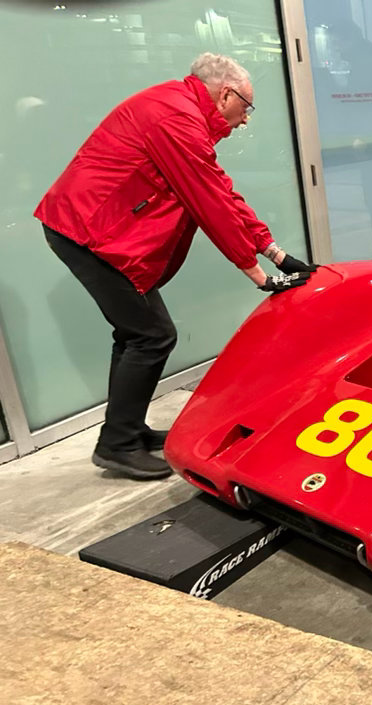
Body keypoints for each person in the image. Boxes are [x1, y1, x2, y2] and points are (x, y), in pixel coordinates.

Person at [35, 53, 317, 482]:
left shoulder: (181, 111)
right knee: (152, 335)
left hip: (94, 230)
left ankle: (126, 430)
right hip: (89, 233)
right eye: (247, 107)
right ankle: (117, 445)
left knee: (137, 334)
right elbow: (208, 201)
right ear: (226, 95)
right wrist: (258, 273)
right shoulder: (175, 118)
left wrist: (272, 250)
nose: (245, 119)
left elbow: (220, 189)